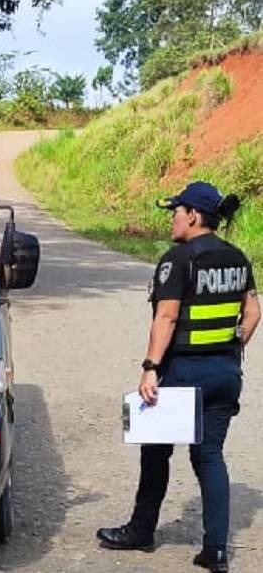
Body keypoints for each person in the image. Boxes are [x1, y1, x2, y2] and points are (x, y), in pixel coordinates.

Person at [96, 181, 261, 573]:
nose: (172, 217)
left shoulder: (179, 258)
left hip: (183, 370)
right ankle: (216, 550)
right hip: (225, 371)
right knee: (209, 455)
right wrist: (231, 347)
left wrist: (150, 368)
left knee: (155, 450)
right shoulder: (238, 257)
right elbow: (252, 313)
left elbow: (166, 317)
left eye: (176, 210)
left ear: (193, 215)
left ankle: (141, 530)